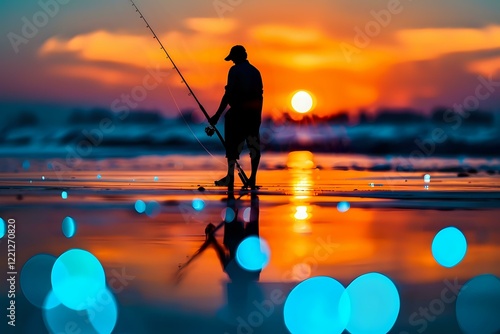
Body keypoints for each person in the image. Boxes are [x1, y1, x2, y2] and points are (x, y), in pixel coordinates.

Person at [209, 45, 263, 190]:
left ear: (238, 57)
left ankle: (230, 177)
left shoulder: (234, 70)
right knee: (254, 146)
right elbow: (259, 96)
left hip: (238, 113)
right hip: (254, 114)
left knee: (232, 144)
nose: (232, 62)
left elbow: (228, 95)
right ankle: (252, 179)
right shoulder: (255, 71)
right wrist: (258, 117)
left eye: (233, 59)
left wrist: (217, 115)